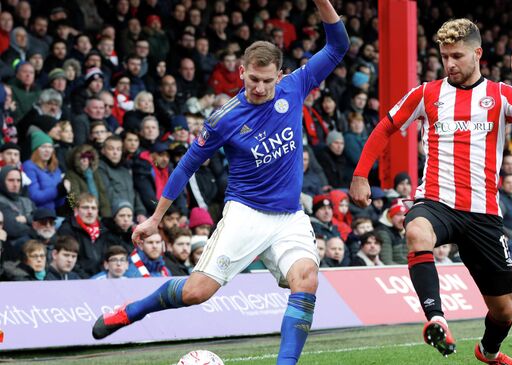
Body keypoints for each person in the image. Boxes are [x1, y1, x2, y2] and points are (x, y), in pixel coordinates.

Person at [92, 4, 349, 365]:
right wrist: (154, 218)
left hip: (290, 215)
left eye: (267, 80)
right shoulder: (224, 119)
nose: (259, 88)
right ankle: (132, 310)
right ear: (241, 72)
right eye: (252, 79)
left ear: (281, 75)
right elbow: (186, 166)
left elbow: (338, 45)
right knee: (197, 292)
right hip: (246, 213)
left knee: (306, 279)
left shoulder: (297, 86)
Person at [349, 18, 512, 364]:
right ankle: (436, 319)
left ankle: (488, 353)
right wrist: (360, 174)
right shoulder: (427, 93)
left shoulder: (501, 94)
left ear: (478, 54)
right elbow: (387, 126)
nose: (450, 64)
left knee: (504, 312)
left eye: (457, 55)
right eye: (444, 57)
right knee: (415, 229)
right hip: (436, 202)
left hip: (483, 212)